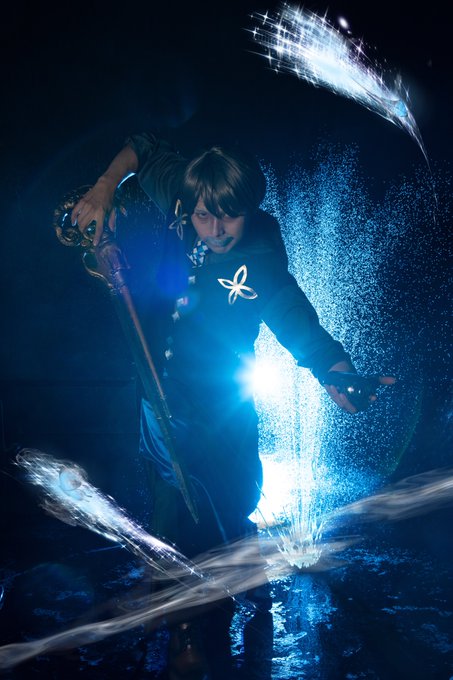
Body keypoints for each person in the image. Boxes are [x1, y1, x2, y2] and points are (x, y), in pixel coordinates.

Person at [71, 132, 395, 679]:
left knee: (232, 497)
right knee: (176, 504)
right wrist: (104, 188)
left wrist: (335, 372)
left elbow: (297, 319)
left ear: (250, 208)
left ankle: (232, 561)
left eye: (229, 217)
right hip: (159, 389)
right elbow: (142, 147)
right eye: (203, 217)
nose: (215, 229)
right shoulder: (184, 184)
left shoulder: (261, 259)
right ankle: (186, 625)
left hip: (223, 402)